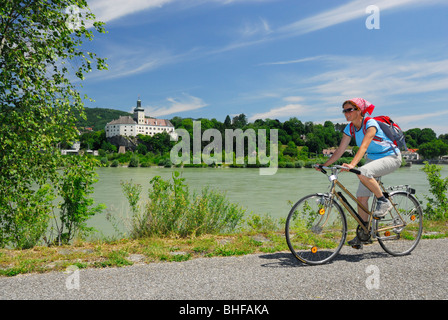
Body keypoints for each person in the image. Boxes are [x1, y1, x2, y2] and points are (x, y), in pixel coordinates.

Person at [317, 98, 402, 249]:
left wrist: (352, 165)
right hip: (373, 160)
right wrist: (324, 165)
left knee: (362, 172)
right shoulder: (349, 128)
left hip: (391, 157)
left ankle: (383, 201)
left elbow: (363, 147)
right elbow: (339, 151)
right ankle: (364, 234)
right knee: (361, 198)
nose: (346, 113)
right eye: (344, 110)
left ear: (359, 111)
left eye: (350, 110)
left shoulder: (370, 123)